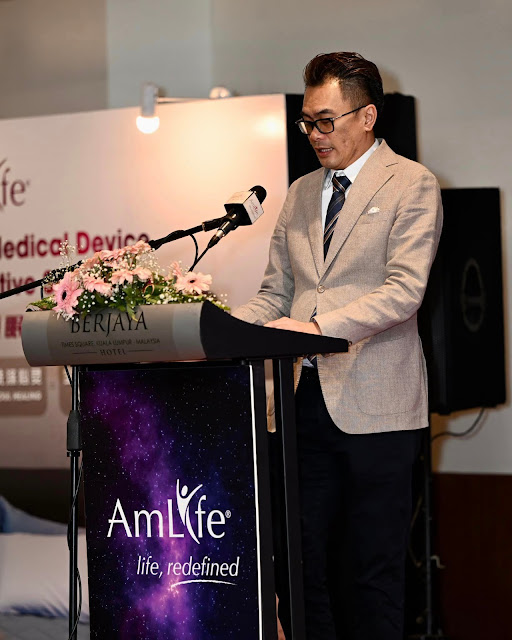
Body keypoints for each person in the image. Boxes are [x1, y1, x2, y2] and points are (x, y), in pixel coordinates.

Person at [233, 52, 443, 640]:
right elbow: (275, 294)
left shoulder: (412, 184)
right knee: (299, 569)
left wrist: (318, 329)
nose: (314, 134)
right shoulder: (300, 192)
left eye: (326, 121)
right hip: (300, 406)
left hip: (378, 409)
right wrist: (216, 331)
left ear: (367, 116)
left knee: (369, 574)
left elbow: (404, 291)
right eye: (307, 122)